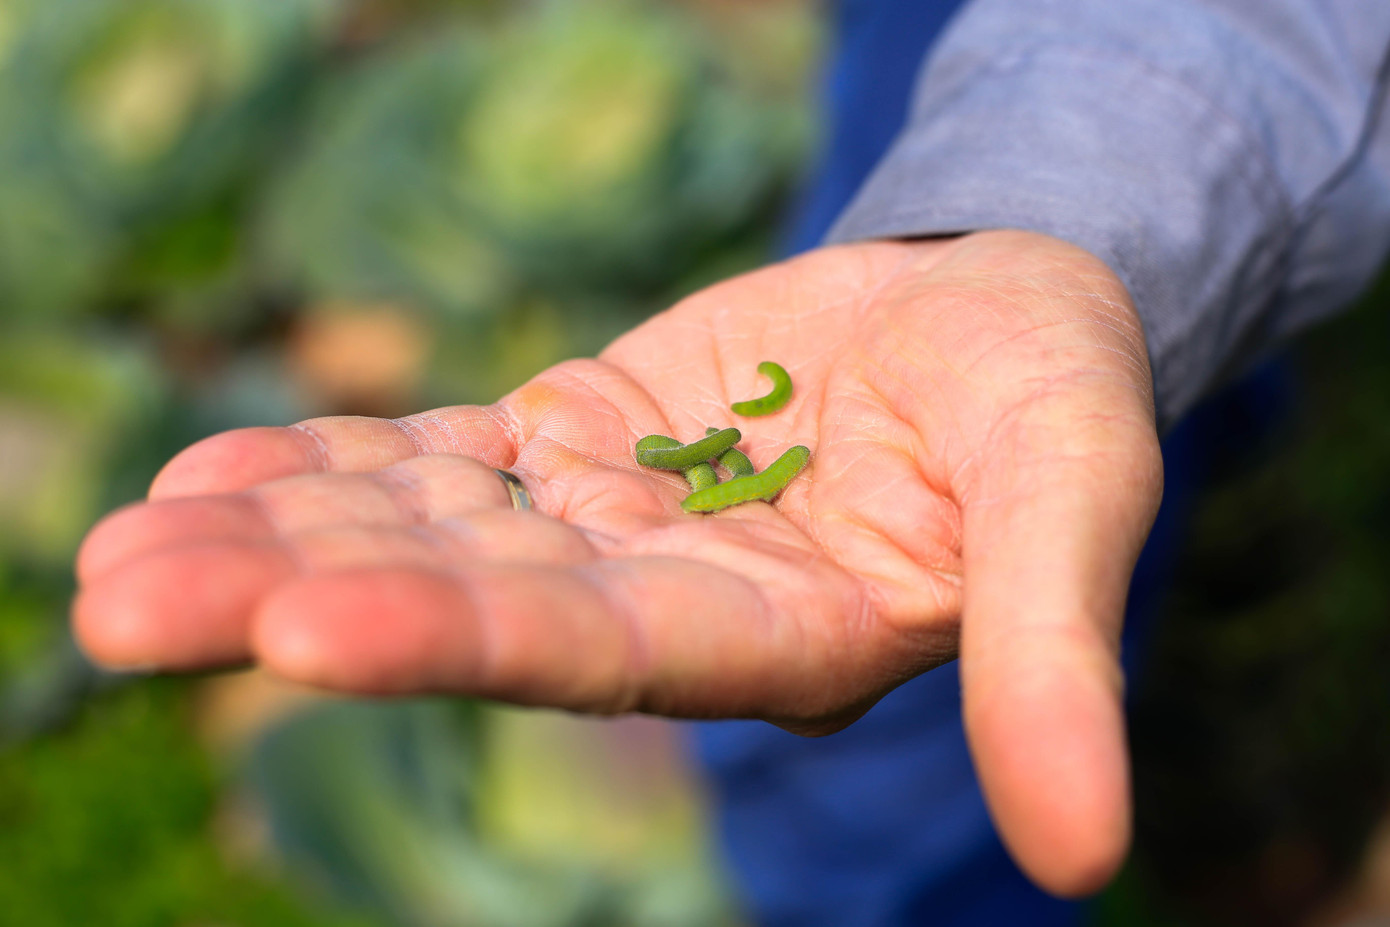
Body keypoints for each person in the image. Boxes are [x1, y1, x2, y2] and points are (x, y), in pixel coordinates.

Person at [71, 0, 1390, 923]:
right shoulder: (715, 447)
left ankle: (1211, 558)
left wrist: (1058, 219)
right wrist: (1042, 192)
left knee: (1012, 486)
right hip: (1041, 50)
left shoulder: (750, 446)